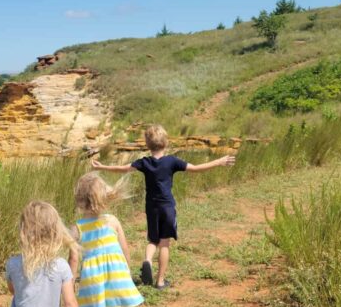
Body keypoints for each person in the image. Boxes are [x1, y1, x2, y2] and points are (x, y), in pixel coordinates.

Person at [91, 124, 235, 289]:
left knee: (153, 239)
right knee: (164, 243)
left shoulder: (144, 162)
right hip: (167, 207)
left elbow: (122, 168)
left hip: (151, 207)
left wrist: (102, 166)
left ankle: (147, 261)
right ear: (165, 143)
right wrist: (219, 161)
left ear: (148, 145)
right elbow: (196, 169)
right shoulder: (172, 161)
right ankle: (160, 282)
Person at [71, 172, 144, 307]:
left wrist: (71, 280)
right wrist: (127, 272)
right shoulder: (112, 221)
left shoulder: (78, 227)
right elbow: (124, 249)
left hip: (93, 278)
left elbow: (73, 258)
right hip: (115, 274)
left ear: (80, 199)